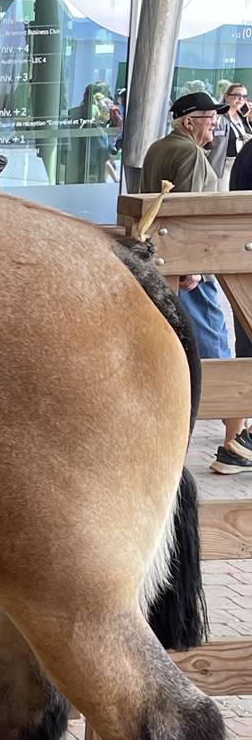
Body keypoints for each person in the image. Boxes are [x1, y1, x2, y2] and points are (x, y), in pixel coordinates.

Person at [140, 92, 249, 475]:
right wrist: (194, 267)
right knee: (215, 342)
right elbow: (189, 211)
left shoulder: (158, 148)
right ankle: (234, 440)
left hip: (164, 263)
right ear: (189, 122)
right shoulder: (189, 154)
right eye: (209, 118)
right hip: (189, 267)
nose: (216, 123)